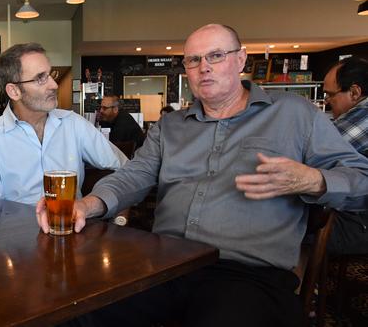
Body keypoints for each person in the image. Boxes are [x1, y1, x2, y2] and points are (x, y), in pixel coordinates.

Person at [36, 24, 368, 327]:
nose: (203, 66)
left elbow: (361, 179)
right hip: (162, 266)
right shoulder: (171, 126)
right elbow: (134, 175)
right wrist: (88, 204)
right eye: (193, 60)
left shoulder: (294, 115)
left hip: (247, 275)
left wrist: (313, 180)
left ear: (241, 60)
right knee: (71, 313)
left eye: (216, 56)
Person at [0, 43, 127, 204]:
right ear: (14, 91)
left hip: (71, 226)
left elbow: (127, 169)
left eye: (50, 75)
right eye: (40, 78)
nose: (54, 85)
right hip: (17, 228)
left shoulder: (73, 124)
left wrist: (99, 203)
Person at [323, 57, 368, 255]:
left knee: (288, 228)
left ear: (355, 92)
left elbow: (317, 150)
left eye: (330, 94)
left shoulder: (364, 115)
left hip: (361, 223)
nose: (326, 101)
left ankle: (299, 284)